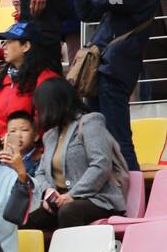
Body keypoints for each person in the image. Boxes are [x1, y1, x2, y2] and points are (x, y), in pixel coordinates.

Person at [75, 0, 157, 170]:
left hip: (115, 72)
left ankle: (136, 202)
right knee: (100, 143)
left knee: (118, 141)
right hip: (103, 71)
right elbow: (88, 10)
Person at [17, 79, 127, 236]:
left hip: (97, 199)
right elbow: (41, 173)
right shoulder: (50, 135)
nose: (38, 113)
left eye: (41, 107)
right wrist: (48, 193)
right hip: (61, 201)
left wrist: (72, 195)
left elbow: (100, 165)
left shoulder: (91, 122)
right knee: (26, 222)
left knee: (69, 212)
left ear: (53, 104)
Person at [0, 21, 62, 136]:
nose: (4, 47)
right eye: (4, 42)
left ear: (26, 46)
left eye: (9, 42)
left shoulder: (46, 81)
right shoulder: (3, 80)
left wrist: (18, 140)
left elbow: (47, 126)